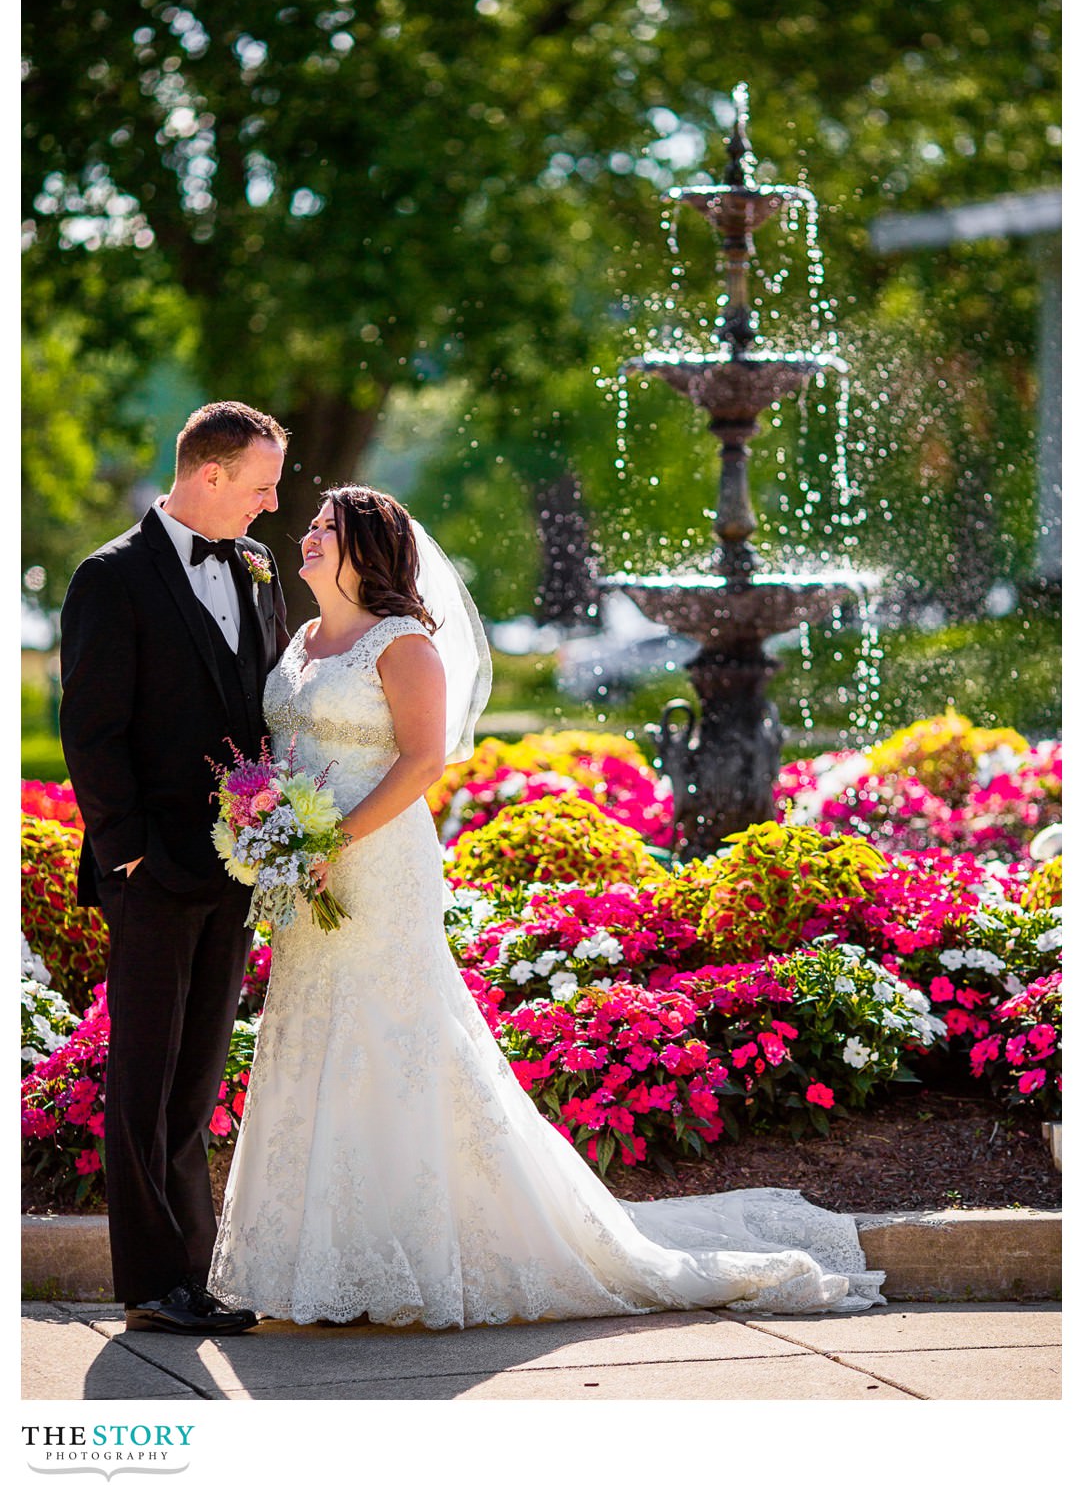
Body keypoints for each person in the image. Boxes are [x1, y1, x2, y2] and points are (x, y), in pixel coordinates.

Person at [209, 484, 885, 1326]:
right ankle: (326, 1260)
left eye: (324, 528)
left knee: (391, 1032)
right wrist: (269, 823)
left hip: (373, 860)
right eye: (308, 524)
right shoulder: (301, 638)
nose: (304, 535)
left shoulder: (403, 644)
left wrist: (330, 840)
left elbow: (422, 763)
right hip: (304, 869)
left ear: (365, 551)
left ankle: (422, 1254)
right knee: (312, 1030)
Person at [59, 401, 291, 1335]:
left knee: (195, 1077)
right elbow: (92, 730)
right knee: (145, 1076)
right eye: (263, 485)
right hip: (152, 870)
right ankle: (153, 1284)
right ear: (211, 475)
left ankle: (189, 1278)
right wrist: (131, 855)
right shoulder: (109, 578)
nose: (272, 505)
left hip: (235, 868)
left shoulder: (257, 566)